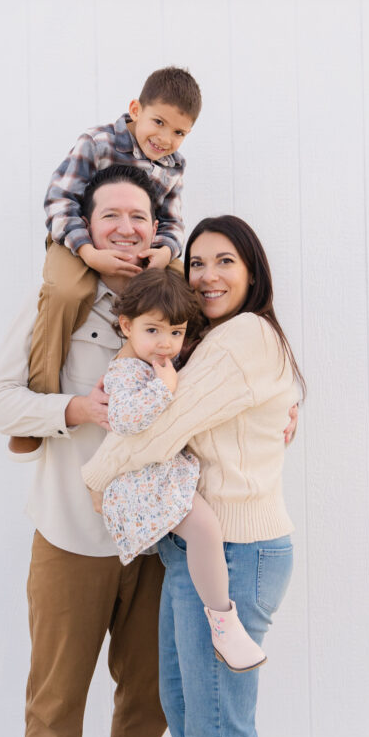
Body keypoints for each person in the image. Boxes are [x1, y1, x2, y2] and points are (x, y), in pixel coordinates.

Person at [82, 215, 306, 737]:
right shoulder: (221, 341)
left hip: (234, 556)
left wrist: (94, 475)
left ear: (253, 270)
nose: (209, 274)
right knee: (194, 722)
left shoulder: (243, 337)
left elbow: (164, 422)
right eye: (199, 262)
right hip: (204, 553)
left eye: (226, 261)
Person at [0, 165, 186, 737]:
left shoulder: (177, 304)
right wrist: (77, 410)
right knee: (55, 709)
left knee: (147, 697)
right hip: (70, 539)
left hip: (156, 543)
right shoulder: (53, 306)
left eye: (139, 214)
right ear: (86, 226)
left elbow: (222, 375)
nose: (127, 228)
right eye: (112, 216)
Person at [8, 66, 202, 458]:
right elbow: (59, 201)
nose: (165, 139)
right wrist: (88, 251)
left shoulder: (175, 165)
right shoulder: (96, 143)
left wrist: (163, 253)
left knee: (188, 285)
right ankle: (40, 403)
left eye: (179, 132)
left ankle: (200, 382)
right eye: (159, 123)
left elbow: (173, 222)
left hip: (145, 246)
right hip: (78, 240)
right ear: (135, 109)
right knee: (66, 291)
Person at [99, 268, 266, 672]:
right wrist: (165, 388)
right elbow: (124, 418)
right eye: (153, 331)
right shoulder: (124, 371)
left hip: (158, 474)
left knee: (205, 531)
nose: (165, 344)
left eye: (175, 333)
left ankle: (222, 621)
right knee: (205, 528)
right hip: (142, 483)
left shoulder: (154, 362)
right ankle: (223, 622)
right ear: (126, 325)